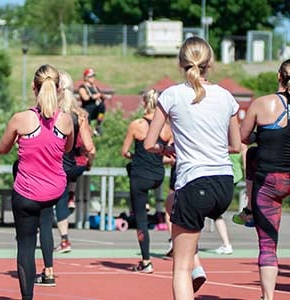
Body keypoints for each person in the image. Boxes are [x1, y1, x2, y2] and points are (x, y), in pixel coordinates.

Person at [144, 36, 241, 300]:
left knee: (180, 268)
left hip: (195, 181)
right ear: (210, 63)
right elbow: (235, 145)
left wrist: (168, 150)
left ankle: (194, 264)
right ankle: (197, 263)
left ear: (181, 64)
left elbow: (149, 143)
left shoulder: (172, 94)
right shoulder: (226, 97)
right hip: (224, 184)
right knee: (174, 202)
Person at [0, 64, 73, 300]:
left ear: (34, 87)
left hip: (27, 193)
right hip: (52, 191)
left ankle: (27, 297)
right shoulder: (66, 121)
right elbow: (68, 148)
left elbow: (3, 148)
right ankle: (49, 267)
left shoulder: (21, 119)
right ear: (59, 88)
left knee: (26, 246)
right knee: (46, 224)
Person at [239, 58, 290, 300]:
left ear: (279, 77)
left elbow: (243, 137)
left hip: (268, 183)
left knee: (268, 245)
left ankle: (268, 297)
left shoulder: (262, 104)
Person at [121, 88, 173, 273]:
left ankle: (146, 261)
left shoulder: (136, 125)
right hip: (158, 175)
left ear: (144, 103)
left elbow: (125, 151)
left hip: (140, 176)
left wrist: (136, 157)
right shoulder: (166, 128)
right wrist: (157, 159)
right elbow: (171, 156)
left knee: (141, 219)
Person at [51, 71, 95, 255]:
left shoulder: (53, 114)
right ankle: (71, 193)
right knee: (62, 194)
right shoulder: (80, 115)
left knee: (51, 201)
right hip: (75, 165)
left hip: (56, 164)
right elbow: (90, 147)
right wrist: (89, 163)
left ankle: (61, 239)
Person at [78, 68, 110, 136]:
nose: (93, 78)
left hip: (95, 109)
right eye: (90, 76)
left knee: (102, 106)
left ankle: (98, 126)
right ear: (86, 77)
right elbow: (85, 98)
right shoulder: (82, 87)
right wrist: (97, 95)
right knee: (87, 129)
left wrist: (102, 97)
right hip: (87, 110)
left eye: (93, 76)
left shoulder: (95, 87)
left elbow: (100, 96)